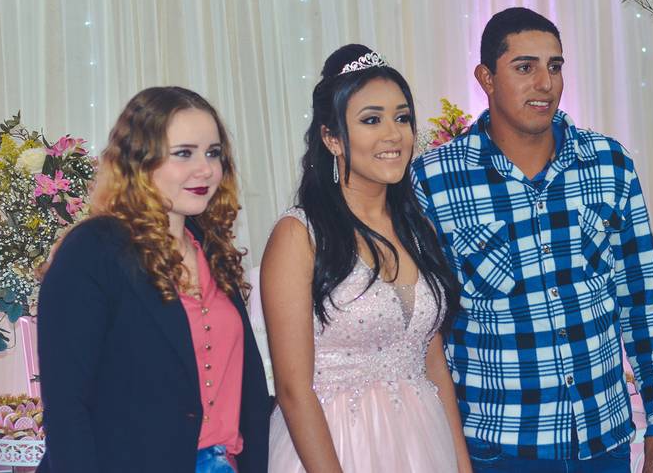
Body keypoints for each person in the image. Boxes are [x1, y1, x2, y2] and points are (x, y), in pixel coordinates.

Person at [411, 8, 653, 473]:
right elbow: (427, 330)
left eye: (554, 66)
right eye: (525, 67)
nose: (545, 83)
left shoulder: (608, 163)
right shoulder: (435, 180)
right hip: (500, 448)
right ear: (486, 78)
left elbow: (645, 302)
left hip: (603, 441)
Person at [261, 44, 473, 472]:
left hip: (422, 441)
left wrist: (461, 463)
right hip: (338, 444)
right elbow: (293, 390)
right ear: (332, 138)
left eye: (402, 118)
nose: (393, 134)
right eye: (372, 120)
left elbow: (434, 363)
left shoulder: (417, 228)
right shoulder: (299, 236)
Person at [37, 86, 271, 473]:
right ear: (139, 163)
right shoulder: (93, 250)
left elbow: (249, 392)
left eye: (213, 153)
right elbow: (66, 406)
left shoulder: (213, 249)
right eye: (184, 153)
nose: (206, 169)